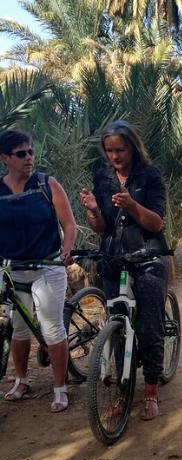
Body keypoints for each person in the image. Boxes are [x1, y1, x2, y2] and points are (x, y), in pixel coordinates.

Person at [79, 120, 169, 421]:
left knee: (149, 327)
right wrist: (93, 209)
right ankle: (123, 392)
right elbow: (102, 226)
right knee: (117, 327)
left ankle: (152, 389)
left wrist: (132, 205)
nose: (115, 156)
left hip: (148, 256)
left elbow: (157, 223)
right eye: (109, 150)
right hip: (114, 258)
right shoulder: (103, 177)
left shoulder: (150, 176)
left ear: (132, 147)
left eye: (120, 149)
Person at [0, 129, 76, 412]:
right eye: (21, 154)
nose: (29, 158)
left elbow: (69, 224)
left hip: (48, 266)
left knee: (51, 326)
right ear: (5, 158)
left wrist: (67, 249)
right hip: (14, 269)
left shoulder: (47, 184)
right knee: (18, 327)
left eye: (31, 151)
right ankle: (21, 380)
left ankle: (60, 387)